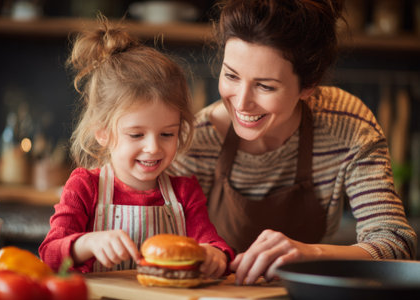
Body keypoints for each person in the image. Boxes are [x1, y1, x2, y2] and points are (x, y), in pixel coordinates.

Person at [168, 0, 417, 285]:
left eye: (265, 86)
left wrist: (310, 254)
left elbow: (396, 242)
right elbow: (164, 240)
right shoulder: (198, 139)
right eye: (231, 76)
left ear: (308, 86)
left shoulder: (346, 125)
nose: (242, 102)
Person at [39, 17, 233, 277]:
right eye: (136, 134)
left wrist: (215, 255)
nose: (153, 147)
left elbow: (212, 243)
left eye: (167, 134)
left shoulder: (185, 193)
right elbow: (49, 255)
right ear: (103, 132)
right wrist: (87, 243)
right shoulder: (84, 187)